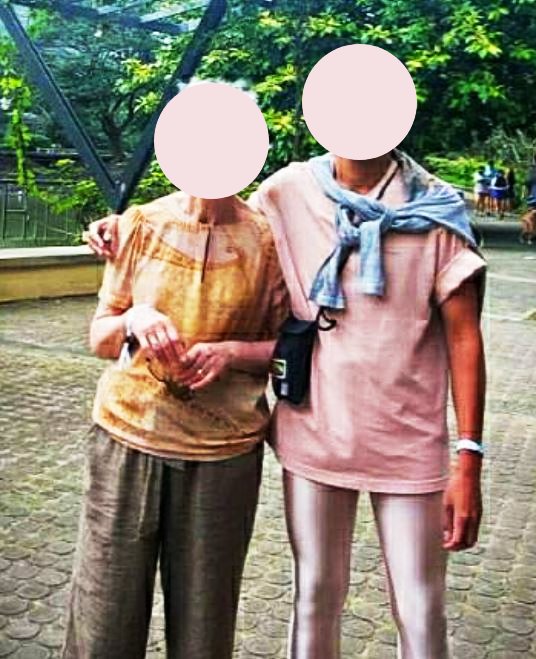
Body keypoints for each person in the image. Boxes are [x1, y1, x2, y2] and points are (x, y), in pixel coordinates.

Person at [89, 149, 486, 659]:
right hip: (314, 431)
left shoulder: (435, 204)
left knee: (420, 608)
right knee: (315, 595)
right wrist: (123, 226)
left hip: (409, 441)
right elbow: (216, 209)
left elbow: (464, 337)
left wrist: (469, 456)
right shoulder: (289, 189)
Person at [64, 192, 289, 659]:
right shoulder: (139, 225)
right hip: (127, 440)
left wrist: (232, 353)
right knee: (103, 619)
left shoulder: (267, 240)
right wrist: (134, 318)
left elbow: (290, 348)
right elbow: (100, 337)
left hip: (223, 454)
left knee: (204, 629)